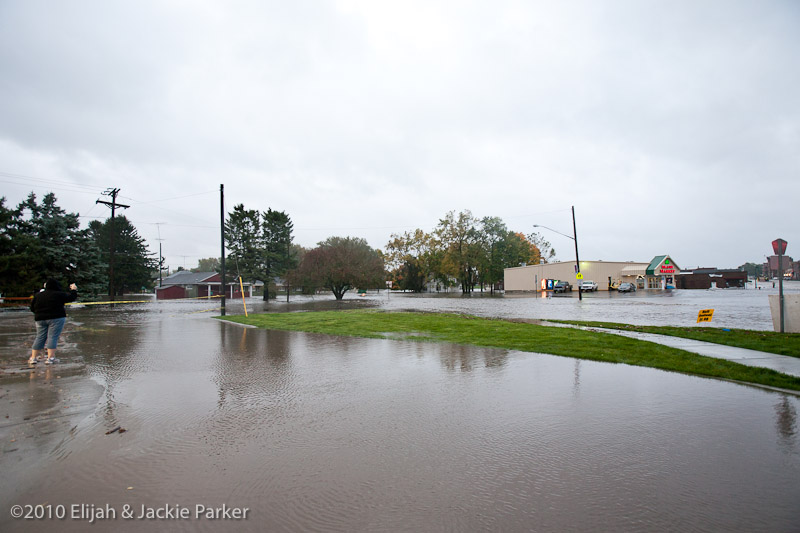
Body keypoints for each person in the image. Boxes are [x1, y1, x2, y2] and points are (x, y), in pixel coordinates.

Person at [28, 279, 78, 365]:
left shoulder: (38, 295)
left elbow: (32, 308)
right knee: (52, 337)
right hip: (57, 318)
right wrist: (74, 290)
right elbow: (71, 298)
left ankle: (33, 358)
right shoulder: (59, 294)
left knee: (39, 337)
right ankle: (50, 358)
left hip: (40, 319)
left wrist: (39, 313)